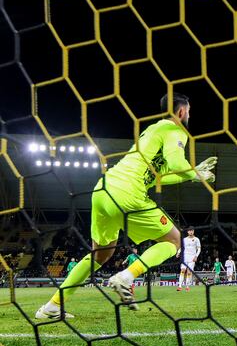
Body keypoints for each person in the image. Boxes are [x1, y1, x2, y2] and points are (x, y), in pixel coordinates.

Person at [35, 93, 217, 319]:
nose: (189, 114)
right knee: (174, 240)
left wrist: (193, 174)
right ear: (181, 111)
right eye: (188, 110)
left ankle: (52, 306)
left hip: (103, 189)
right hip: (127, 193)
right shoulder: (175, 130)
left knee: (100, 254)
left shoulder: (151, 132)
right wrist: (196, 173)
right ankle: (126, 276)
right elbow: (177, 162)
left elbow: (161, 176)